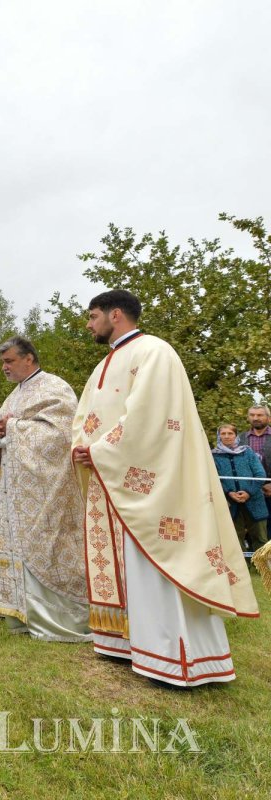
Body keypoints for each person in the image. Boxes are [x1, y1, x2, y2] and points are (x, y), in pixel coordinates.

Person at [72, 289, 258, 686]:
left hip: (150, 483)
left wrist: (102, 450)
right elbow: (86, 416)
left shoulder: (155, 351)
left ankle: (176, 659)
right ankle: (128, 644)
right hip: (112, 479)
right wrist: (84, 448)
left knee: (158, 561)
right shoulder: (108, 361)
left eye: (92, 316)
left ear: (115, 314)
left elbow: (151, 417)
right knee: (127, 565)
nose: (89, 325)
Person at [0, 336, 89, 641]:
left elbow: (61, 435)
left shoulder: (54, 387)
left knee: (50, 548)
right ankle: (26, 616)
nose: (5, 367)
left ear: (29, 358)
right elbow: (4, 436)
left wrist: (12, 428)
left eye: (9, 361)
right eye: (3, 362)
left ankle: (60, 622)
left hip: (49, 491)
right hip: (17, 491)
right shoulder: (13, 397)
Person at [213, 424, 268, 553]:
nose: (227, 436)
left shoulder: (247, 452)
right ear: (219, 436)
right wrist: (229, 492)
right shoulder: (213, 456)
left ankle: (264, 568)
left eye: (230, 433)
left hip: (254, 500)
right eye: (223, 433)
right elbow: (214, 479)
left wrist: (248, 492)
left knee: (260, 537)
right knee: (235, 539)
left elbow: (260, 474)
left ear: (236, 435)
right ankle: (241, 569)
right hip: (230, 503)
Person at [239, 405, 271, 503]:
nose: (255, 418)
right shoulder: (240, 439)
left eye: (260, 415)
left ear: (269, 418)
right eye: (252, 415)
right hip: (247, 491)